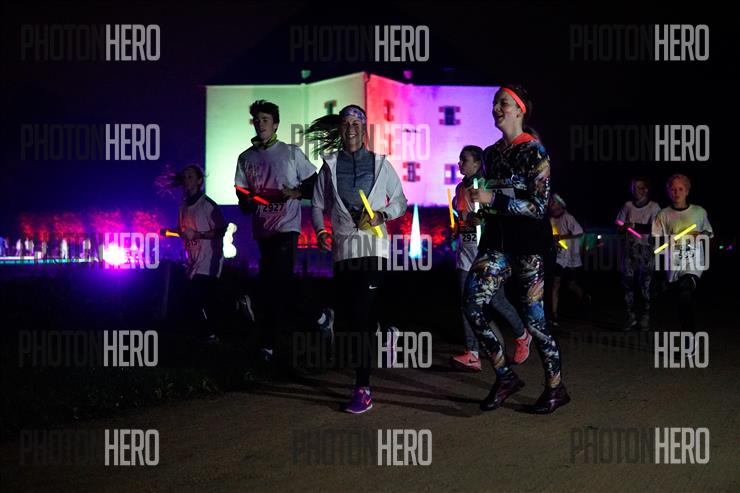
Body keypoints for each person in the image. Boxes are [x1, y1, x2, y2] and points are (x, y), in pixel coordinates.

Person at [467, 84, 570, 414]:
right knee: (472, 303)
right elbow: (489, 198)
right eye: (494, 103)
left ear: (520, 110)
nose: (496, 108)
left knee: (535, 321)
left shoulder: (535, 152)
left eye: (503, 103)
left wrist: (494, 200)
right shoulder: (491, 154)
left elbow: (538, 207)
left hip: (529, 248)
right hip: (496, 245)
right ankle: (504, 376)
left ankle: (555, 388)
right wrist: (476, 206)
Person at [307, 104, 408, 414]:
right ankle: (384, 328)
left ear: (364, 129)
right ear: (340, 129)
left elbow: (400, 201)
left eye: (356, 123)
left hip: (374, 248)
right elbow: (317, 204)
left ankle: (363, 389)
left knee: (360, 314)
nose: (350, 128)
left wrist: (381, 215)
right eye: (345, 123)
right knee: (353, 315)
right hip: (343, 250)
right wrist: (321, 232)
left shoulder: (380, 164)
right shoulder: (329, 166)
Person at [234, 100, 318, 363]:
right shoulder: (245, 158)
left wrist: (296, 192)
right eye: (257, 120)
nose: (260, 124)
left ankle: (269, 344)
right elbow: (242, 197)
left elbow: (315, 184)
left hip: (286, 226)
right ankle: (318, 318)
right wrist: (248, 201)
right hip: (263, 229)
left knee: (276, 282)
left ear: (276, 125)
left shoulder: (291, 153)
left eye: (266, 120)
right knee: (276, 285)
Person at [451, 145, 530, 372]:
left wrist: (480, 219)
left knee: (497, 301)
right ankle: (472, 353)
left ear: (477, 163)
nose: (460, 164)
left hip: (487, 254)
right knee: (465, 304)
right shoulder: (459, 188)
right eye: (460, 160)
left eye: (464, 160)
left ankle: (522, 335)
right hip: (465, 254)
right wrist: (458, 227)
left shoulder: (488, 186)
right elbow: (462, 217)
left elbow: (500, 215)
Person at [652, 174, 713, 332]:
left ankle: (690, 338)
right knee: (681, 302)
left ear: (687, 191)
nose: (676, 192)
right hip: (673, 265)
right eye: (673, 189)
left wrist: (700, 235)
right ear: (668, 191)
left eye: (680, 189)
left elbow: (708, 232)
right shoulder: (663, 215)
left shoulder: (699, 212)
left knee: (685, 291)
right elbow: (656, 240)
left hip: (693, 263)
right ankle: (688, 331)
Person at [615, 177, 661, 330]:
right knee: (627, 283)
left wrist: (634, 225)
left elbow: (656, 229)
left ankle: (646, 315)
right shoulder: (627, 206)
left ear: (646, 189)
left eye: (640, 187)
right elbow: (619, 224)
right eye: (634, 187)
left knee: (645, 286)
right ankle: (631, 316)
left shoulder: (654, 207)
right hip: (629, 250)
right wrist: (623, 228)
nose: (636, 190)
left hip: (647, 250)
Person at [549, 193, 588, 326]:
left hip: (570, 255)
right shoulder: (550, 219)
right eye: (550, 202)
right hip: (558, 256)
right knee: (555, 284)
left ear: (560, 205)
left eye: (553, 202)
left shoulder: (568, 218)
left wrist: (561, 237)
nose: (550, 204)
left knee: (571, 284)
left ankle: (584, 298)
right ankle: (554, 314)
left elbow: (580, 233)